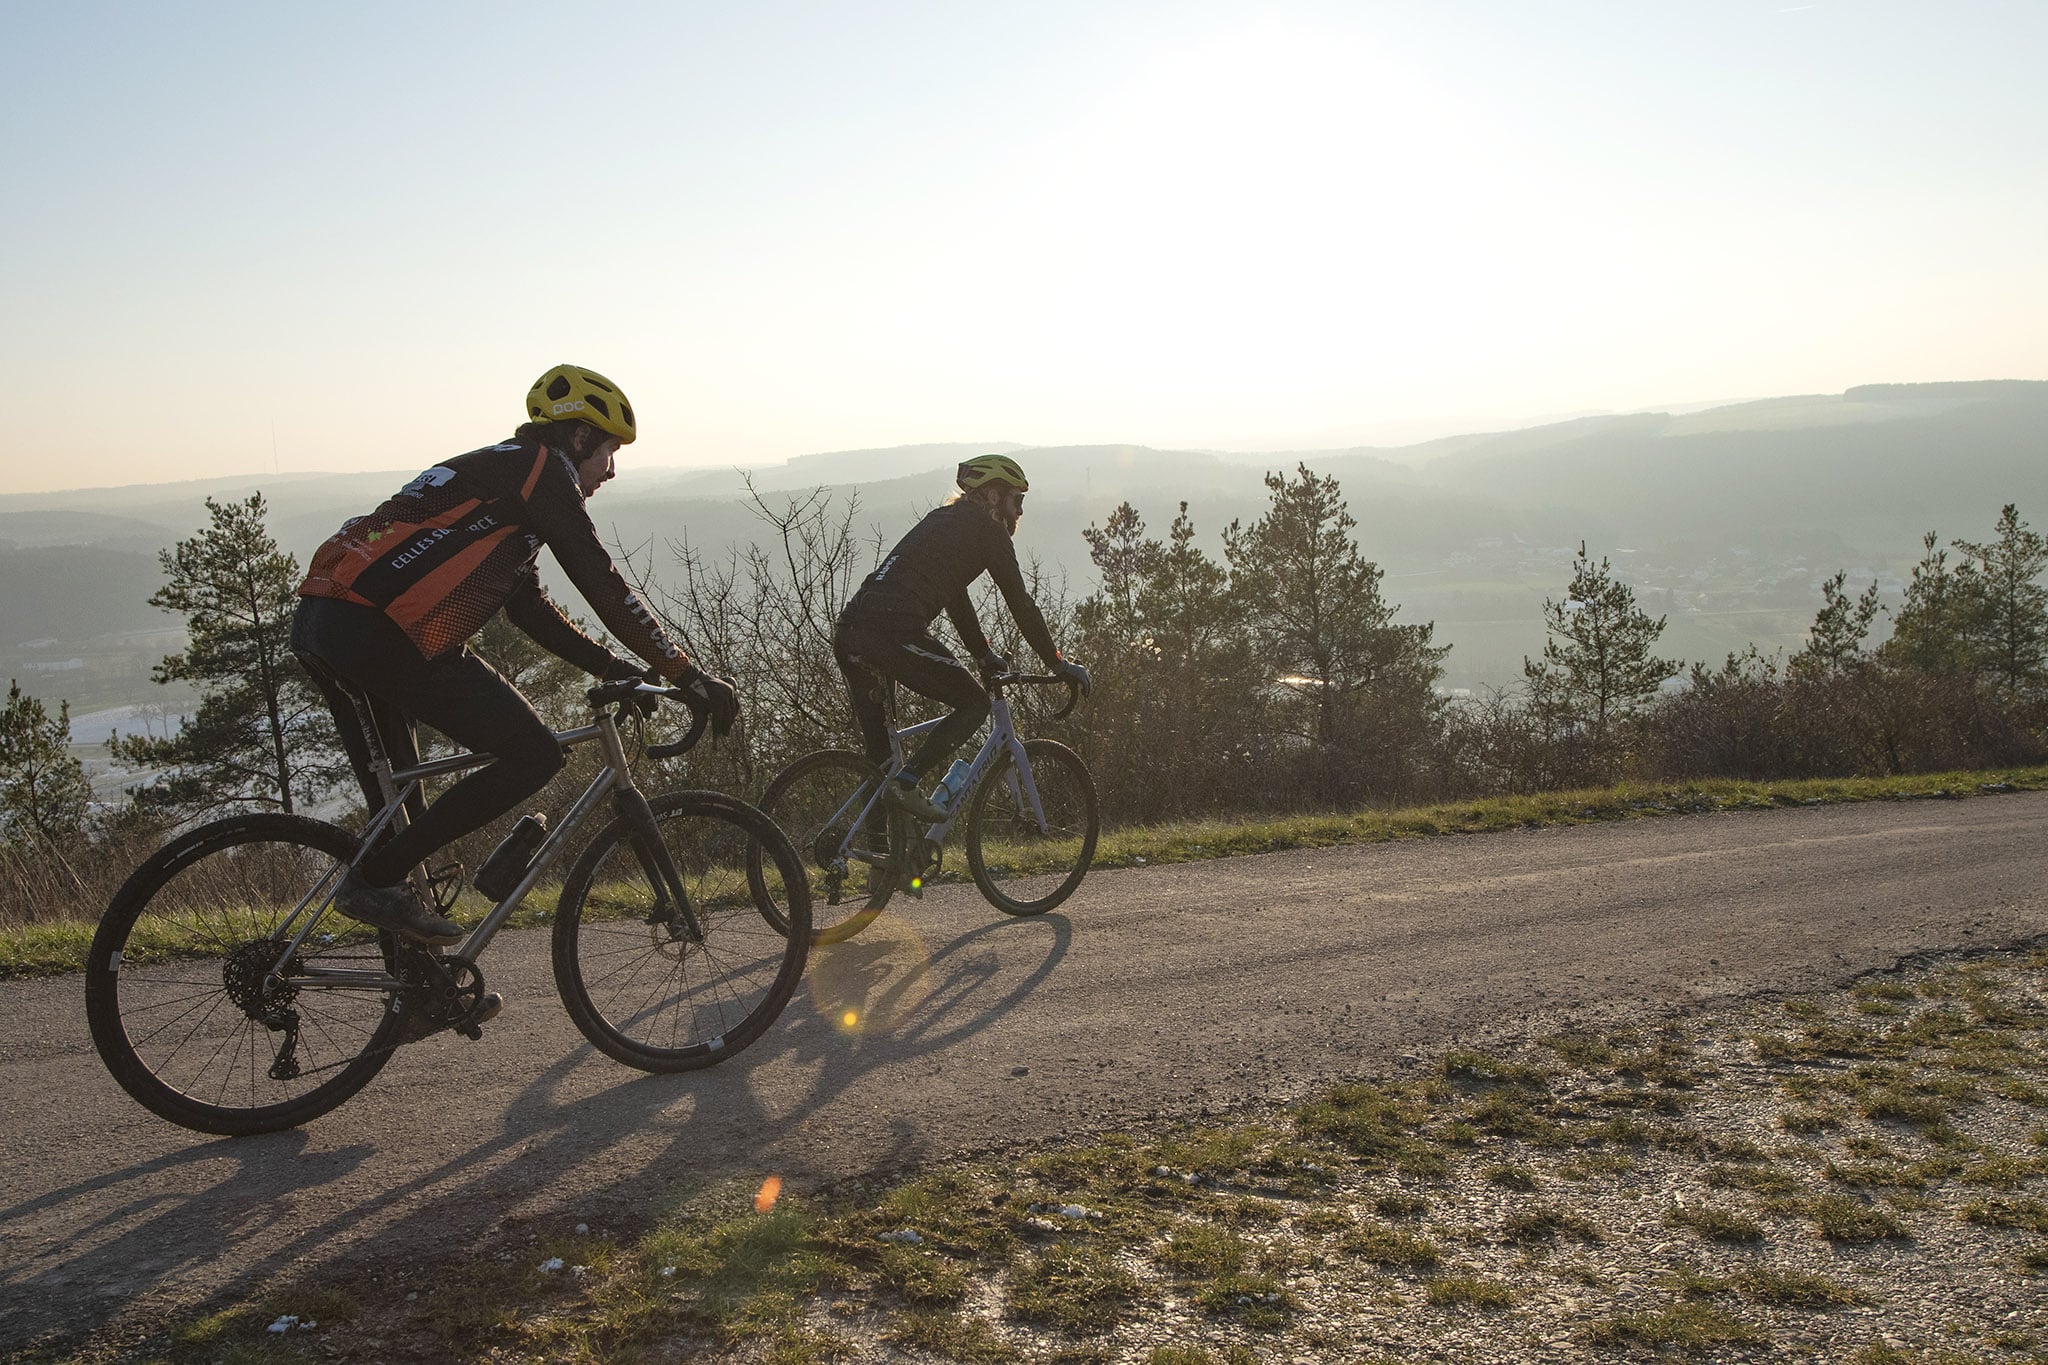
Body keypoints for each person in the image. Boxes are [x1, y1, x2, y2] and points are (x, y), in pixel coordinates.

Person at [292, 364, 737, 945]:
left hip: (328, 620)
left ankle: (413, 975)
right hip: (381, 630)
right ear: (580, 437)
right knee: (534, 754)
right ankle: (372, 882)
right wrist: (688, 675)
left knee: (402, 825)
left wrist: (613, 668)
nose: (611, 470)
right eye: (609, 451)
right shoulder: (541, 471)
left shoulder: (505, 475)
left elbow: (529, 609)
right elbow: (601, 583)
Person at [834, 453, 1090, 824]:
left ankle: (875, 853)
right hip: (892, 632)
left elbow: (955, 597)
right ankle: (909, 782)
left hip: (850, 632)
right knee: (974, 704)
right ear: (993, 496)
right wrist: (1057, 663)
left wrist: (982, 654)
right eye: (1017, 500)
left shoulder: (942, 520)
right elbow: (1021, 604)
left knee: (881, 758)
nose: (1020, 512)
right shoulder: (989, 532)